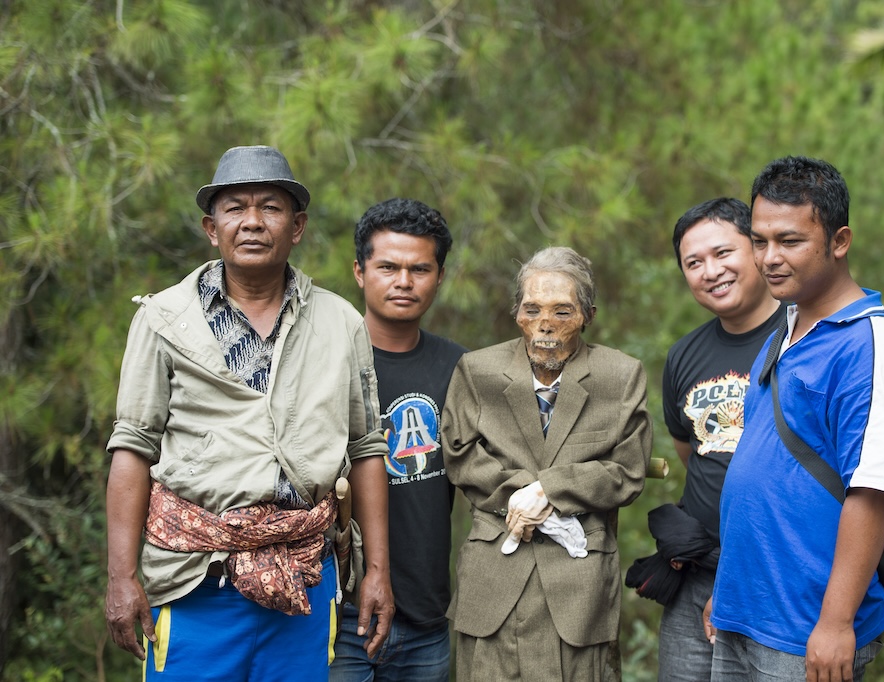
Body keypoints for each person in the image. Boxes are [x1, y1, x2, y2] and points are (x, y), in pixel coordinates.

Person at [104, 145, 394, 681]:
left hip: (304, 579)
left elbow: (366, 449)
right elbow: (132, 448)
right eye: (235, 207)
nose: (253, 221)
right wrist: (121, 577)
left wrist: (377, 570)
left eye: (271, 207)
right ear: (212, 229)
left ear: (298, 226)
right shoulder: (164, 319)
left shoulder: (341, 322)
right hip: (193, 581)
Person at [706, 156, 884, 682]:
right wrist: (726, 590)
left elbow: (870, 491)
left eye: (790, 241)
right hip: (744, 611)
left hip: (804, 629)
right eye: (759, 240)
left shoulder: (870, 347)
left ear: (839, 241)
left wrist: (836, 622)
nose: (768, 258)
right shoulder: (790, 321)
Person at [441, 246, 653, 681]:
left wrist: (550, 491)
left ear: (588, 315)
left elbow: (627, 470)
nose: (545, 325)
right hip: (494, 577)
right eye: (532, 309)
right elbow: (459, 453)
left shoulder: (621, 375)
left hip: (578, 587)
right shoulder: (477, 371)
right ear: (516, 311)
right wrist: (521, 496)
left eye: (563, 312)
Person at [330, 198, 466, 681]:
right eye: (387, 266)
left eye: (419, 268)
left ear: (439, 275)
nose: (404, 281)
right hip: (338, 615)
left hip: (427, 614)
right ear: (360, 271)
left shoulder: (461, 368)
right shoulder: (326, 364)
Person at [654, 198, 783, 682]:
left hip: (776, 572)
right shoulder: (684, 355)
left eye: (722, 253)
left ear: (756, 250)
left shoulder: (803, 337)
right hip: (697, 567)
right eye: (693, 263)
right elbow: (694, 453)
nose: (710, 271)